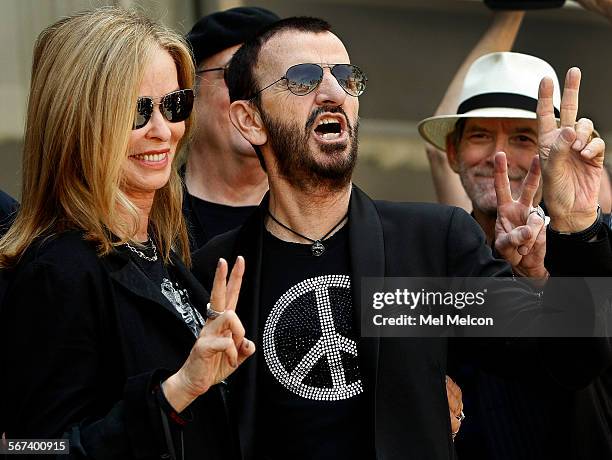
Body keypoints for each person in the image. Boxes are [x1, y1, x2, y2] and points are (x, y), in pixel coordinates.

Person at [191, 16, 608, 459]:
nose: (333, 93)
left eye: (347, 78)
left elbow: (567, 357)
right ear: (250, 120)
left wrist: (577, 224)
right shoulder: (215, 270)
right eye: (303, 79)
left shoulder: (426, 244)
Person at [0, 8, 254, 459]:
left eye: (175, 106)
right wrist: (173, 394)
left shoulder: (161, 251)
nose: (163, 131)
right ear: (79, 121)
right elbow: (32, 450)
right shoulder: (60, 271)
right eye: (137, 112)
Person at [183, 7, 279, 251]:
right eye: (237, 74)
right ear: (190, 94)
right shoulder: (141, 215)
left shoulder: (326, 218)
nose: (256, 94)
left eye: (274, 78)